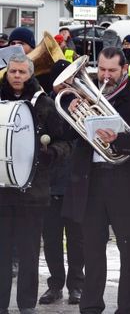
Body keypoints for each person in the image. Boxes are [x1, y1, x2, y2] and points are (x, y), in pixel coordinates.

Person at [62, 47, 130, 314]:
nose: (105, 76)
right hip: (91, 182)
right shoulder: (84, 97)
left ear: (124, 69)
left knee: (129, 252)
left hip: (125, 183)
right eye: (101, 70)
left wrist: (120, 139)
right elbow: (67, 137)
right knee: (92, 249)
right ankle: (91, 306)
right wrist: (72, 114)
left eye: (112, 71)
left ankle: (128, 308)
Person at [0, 54, 72, 314]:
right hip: (2, 192)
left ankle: (26, 305)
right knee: (2, 255)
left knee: (30, 254)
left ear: (30, 74)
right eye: (13, 71)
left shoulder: (45, 104)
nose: (17, 76)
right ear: (7, 73)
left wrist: (51, 153)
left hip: (34, 192)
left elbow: (65, 142)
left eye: (22, 72)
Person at [38, 60, 84, 306]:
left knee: (77, 239)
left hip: (76, 182)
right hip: (50, 181)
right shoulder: (44, 105)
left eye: (71, 80)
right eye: (63, 80)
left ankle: (76, 285)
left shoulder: (83, 103)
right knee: (52, 238)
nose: (68, 84)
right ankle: (55, 285)